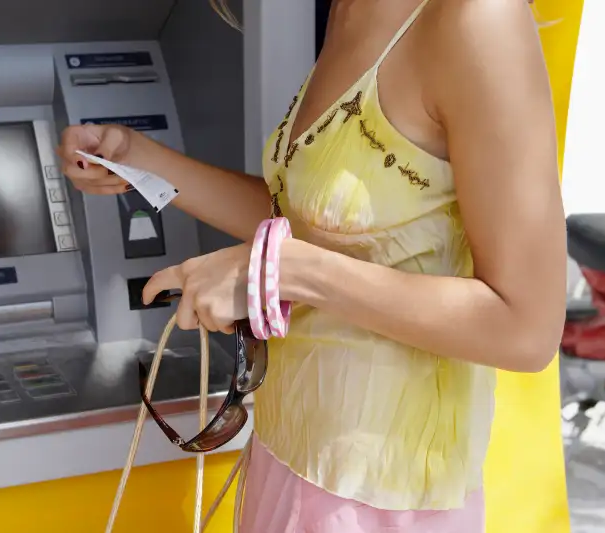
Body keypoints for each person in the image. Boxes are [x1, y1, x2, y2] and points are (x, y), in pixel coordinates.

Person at [58, 0, 566, 530]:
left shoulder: (478, 18)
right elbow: (320, 226)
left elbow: (525, 328)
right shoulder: (349, 8)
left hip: (379, 498)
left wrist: (279, 271)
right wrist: (144, 160)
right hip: (286, 460)